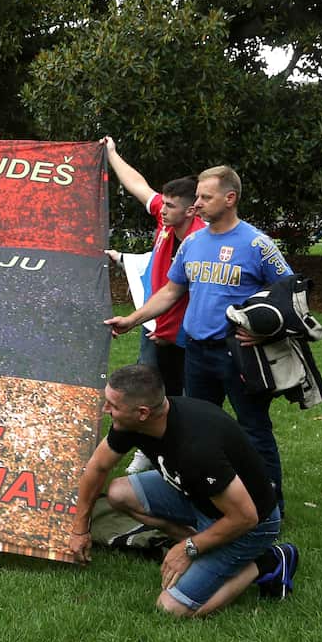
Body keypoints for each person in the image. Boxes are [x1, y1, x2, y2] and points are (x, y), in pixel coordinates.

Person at [106, 165, 293, 510]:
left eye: (206, 198)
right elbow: (170, 291)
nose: (198, 204)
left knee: (254, 429)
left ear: (230, 198)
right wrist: (133, 320)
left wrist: (264, 330)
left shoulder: (257, 244)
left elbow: (290, 293)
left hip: (237, 354)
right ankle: (208, 498)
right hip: (196, 352)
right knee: (198, 427)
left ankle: (270, 505)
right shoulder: (192, 242)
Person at [69, 364, 298, 616]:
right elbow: (97, 468)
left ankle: (269, 561)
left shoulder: (197, 449)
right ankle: (202, 545)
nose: (105, 409)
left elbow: (245, 517)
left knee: (171, 608)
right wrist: (81, 528)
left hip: (250, 525)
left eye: (112, 405)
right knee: (118, 493)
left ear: (143, 412)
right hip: (197, 497)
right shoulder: (131, 423)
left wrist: (189, 548)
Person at [101, 137, 205, 474]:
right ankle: (148, 452)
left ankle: (189, 461)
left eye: (171, 205)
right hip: (153, 327)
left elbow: (195, 296)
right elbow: (138, 186)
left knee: (186, 401)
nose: (162, 208)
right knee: (145, 396)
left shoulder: (203, 240)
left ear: (191, 209)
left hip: (188, 337)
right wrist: (112, 155)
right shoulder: (167, 220)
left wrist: (171, 331)